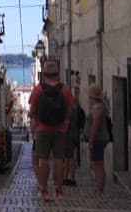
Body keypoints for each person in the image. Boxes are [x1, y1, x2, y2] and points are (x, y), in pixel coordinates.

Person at [29, 61, 74, 201]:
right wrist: (65, 122)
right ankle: (59, 190)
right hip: (60, 129)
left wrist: (35, 122)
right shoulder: (65, 89)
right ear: (57, 74)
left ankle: (44, 190)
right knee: (59, 160)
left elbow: (32, 111)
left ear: (44, 75)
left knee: (43, 160)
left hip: (42, 129)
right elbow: (69, 109)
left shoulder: (38, 89)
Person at [84, 83, 110, 193]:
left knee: (98, 163)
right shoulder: (100, 106)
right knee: (98, 162)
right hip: (100, 138)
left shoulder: (97, 108)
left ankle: (99, 188)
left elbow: (95, 125)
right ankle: (99, 186)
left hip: (98, 139)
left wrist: (91, 141)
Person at [63, 98, 85, 186]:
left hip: (69, 135)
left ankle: (71, 178)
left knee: (69, 157)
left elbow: (67, 123)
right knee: (69, 157)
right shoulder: (76, 108)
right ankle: (67, 177)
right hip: (75, 134)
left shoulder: (69, 109)